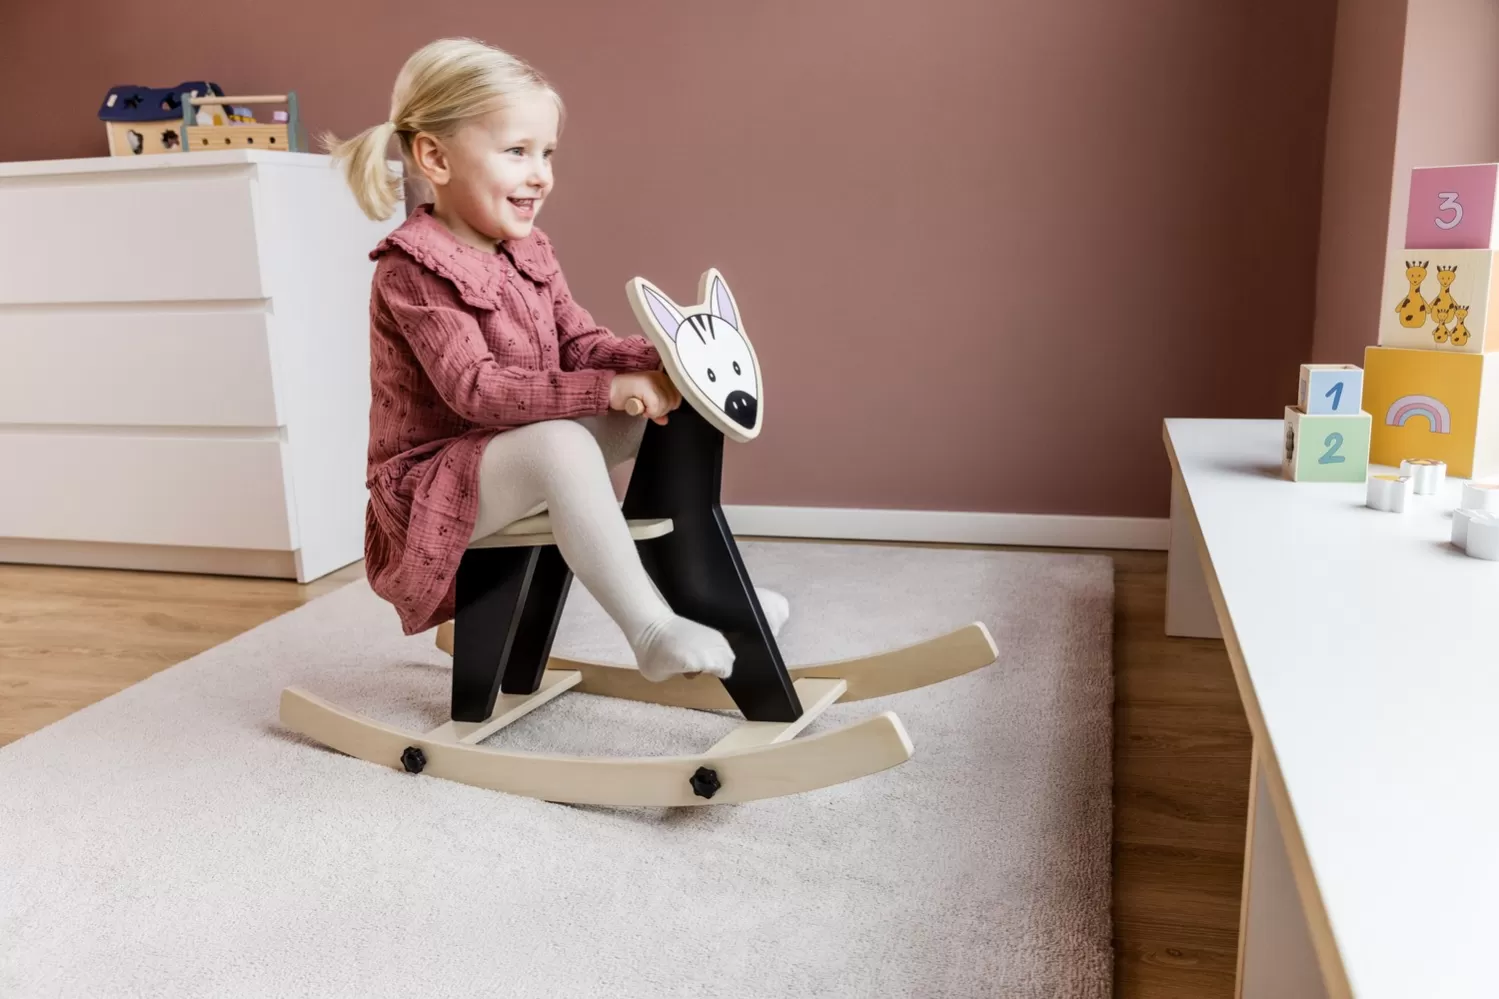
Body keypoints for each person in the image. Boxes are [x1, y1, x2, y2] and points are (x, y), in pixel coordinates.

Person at [325, 37, 788, 681]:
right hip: (431, 483)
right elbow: (476, 390)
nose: (541, 173)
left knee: (678, 408)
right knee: (561, 445)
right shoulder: (413, 269)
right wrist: (606, 391)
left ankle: (706, 596)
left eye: (547, 153)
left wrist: (669, 356)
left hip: (513, 450)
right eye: (517, 151)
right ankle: (650, 630)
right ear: (435, 157)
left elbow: (580, 345)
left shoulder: (529, 250)